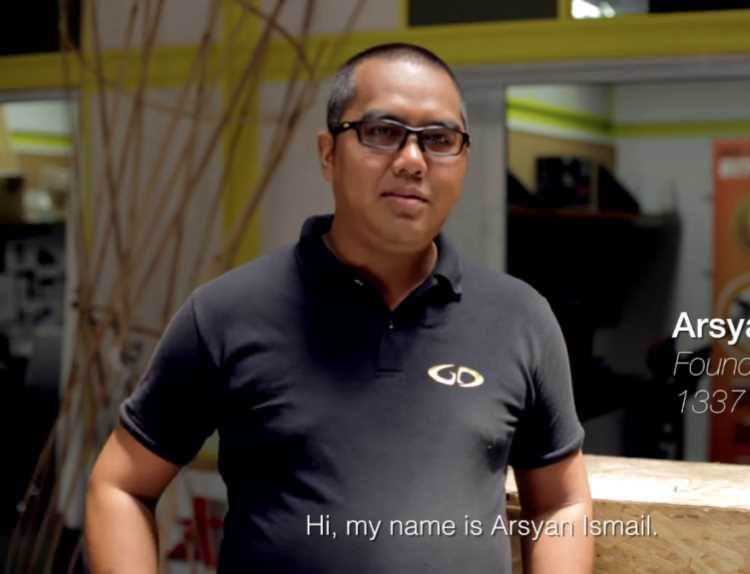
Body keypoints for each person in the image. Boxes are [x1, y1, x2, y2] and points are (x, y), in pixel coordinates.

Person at [85, 43, 593, 573]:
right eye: (382, 132)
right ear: (329, 153)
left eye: (439, 140)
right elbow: (120, 485)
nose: (412, 160)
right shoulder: (226, 314)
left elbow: (560, 503)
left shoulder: (519, 320)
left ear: (463, 161)